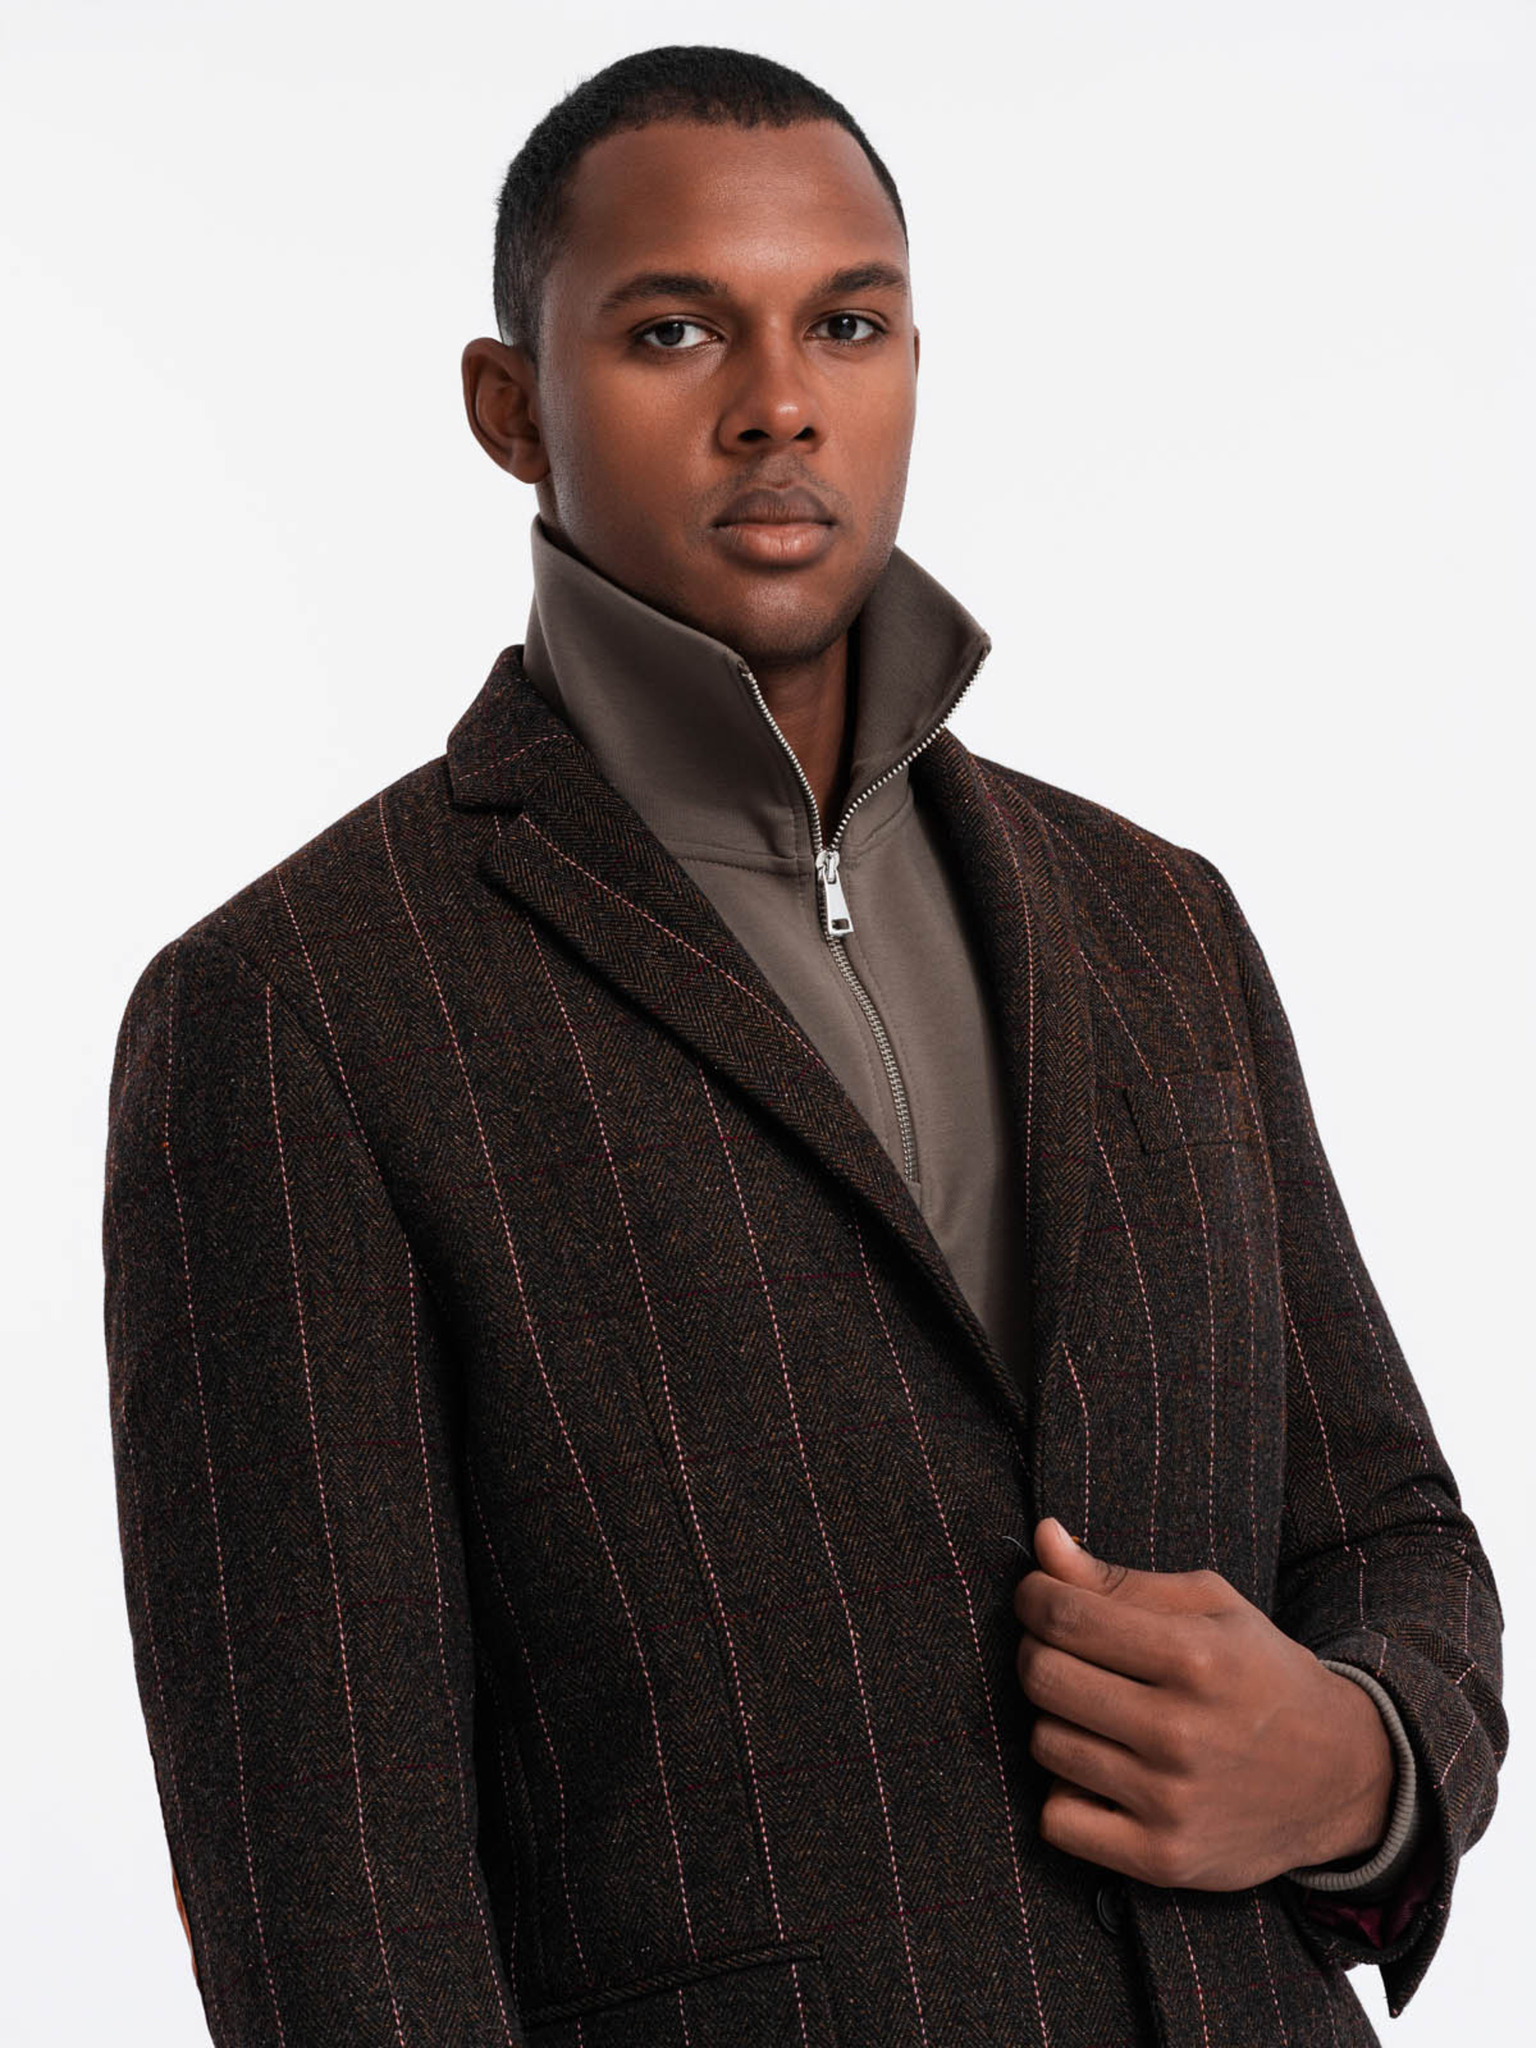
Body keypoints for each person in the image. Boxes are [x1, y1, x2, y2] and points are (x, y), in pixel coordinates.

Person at [103, 44, 1504, 2048]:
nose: (780, 402)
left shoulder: (1158, 920)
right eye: (675, 331)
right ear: (511, 406)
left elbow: (1392, 1537)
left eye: (847, 324)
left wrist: (1363, 1763)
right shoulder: (301, 1010)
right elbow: (341, 1918)